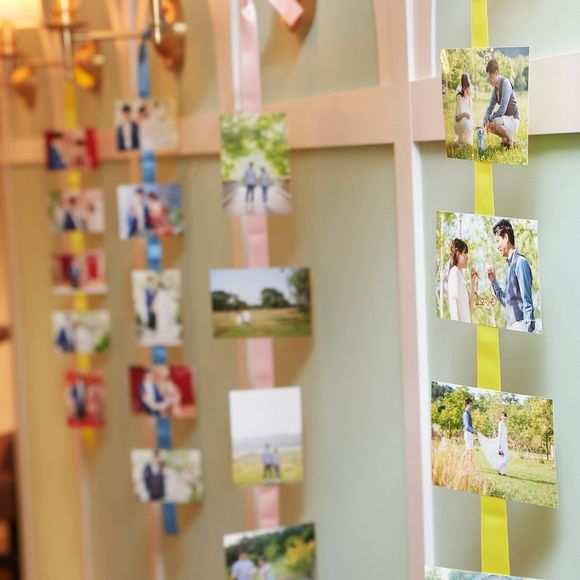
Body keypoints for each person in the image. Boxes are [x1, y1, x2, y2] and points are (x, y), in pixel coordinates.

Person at [487, 219, 535, 332]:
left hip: (521, 325)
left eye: (498, 241)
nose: (497, 246)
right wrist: (493, 281)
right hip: (511, 326)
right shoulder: (510, 267)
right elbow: (508, 302)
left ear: (506, 237)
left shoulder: (520, 262)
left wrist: (529, 328)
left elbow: (527, 299)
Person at [478, 58, 520, 149]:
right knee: (489, 125)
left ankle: (511, 140)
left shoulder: (505, 83)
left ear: (496, 73)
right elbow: (490, 108)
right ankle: (504, 140)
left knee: (495, 121)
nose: (489, 80)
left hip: (513, 119)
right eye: (488, 77)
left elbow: (502, 109)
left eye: (491, 76)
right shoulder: (495, 90)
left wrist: (490, 119)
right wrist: (483, 124)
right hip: (506, 120)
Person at [447, 238, 477, 323]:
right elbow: (454, 301)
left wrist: (472, 283)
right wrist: (458, 327)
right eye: (465, 253)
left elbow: (470, 307)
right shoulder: (454, 271)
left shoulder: (458, 275)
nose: (467, 257)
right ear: (458, 254)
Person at [478, 412, 510, 476]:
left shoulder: (504, 424)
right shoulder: (500, 424)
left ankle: (503, 472)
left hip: (504, 442)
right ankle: (498, 468)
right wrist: (499, 444)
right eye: (503, 416)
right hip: (501, 442)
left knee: (504, 456)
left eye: (505, 416)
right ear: (501, 417)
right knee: (504, 457)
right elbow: (500, 434)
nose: (504, 417)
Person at [454, 73, 474, 146]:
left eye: (467, 85)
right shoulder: (459, 96)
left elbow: (471, 114)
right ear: (462, 84)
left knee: (468, 123)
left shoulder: (469, 97)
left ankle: (466, 142)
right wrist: (464, 114)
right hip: (459, 121)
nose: (466, 88)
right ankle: (464, 142)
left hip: (467, 121)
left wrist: (473, 124)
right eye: (465, 85)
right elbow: (457, 118)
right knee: (466, 122)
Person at [462, 398, 478, 463]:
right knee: (470, 449)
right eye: (470, 404)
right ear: (467, 405)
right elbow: (467, 426)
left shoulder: (469, 413)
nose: (471, 406)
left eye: (472, 404)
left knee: (469, 449)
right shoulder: (466, 413)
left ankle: (462, 461)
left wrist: (473, 430)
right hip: (467, 433)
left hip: (469, 433)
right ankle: (470, 463)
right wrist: (474, 431)